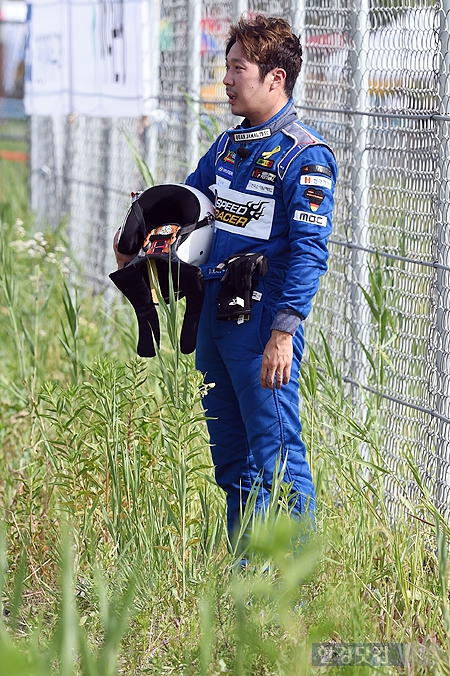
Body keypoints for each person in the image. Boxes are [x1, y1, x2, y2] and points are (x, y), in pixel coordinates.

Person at [115, 14, 337, 546]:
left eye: (238, 68)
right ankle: (247, 572)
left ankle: (298, 586)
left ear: (275, 78)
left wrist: (284, 331)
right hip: (214, 318)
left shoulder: (305, 156)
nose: (227, 80)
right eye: (227, 67)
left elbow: (310, 252)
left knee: (277, 455)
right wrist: (148, 227)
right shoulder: (228, 147)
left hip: (262, 326)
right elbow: (186, 204)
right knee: (232, 460)